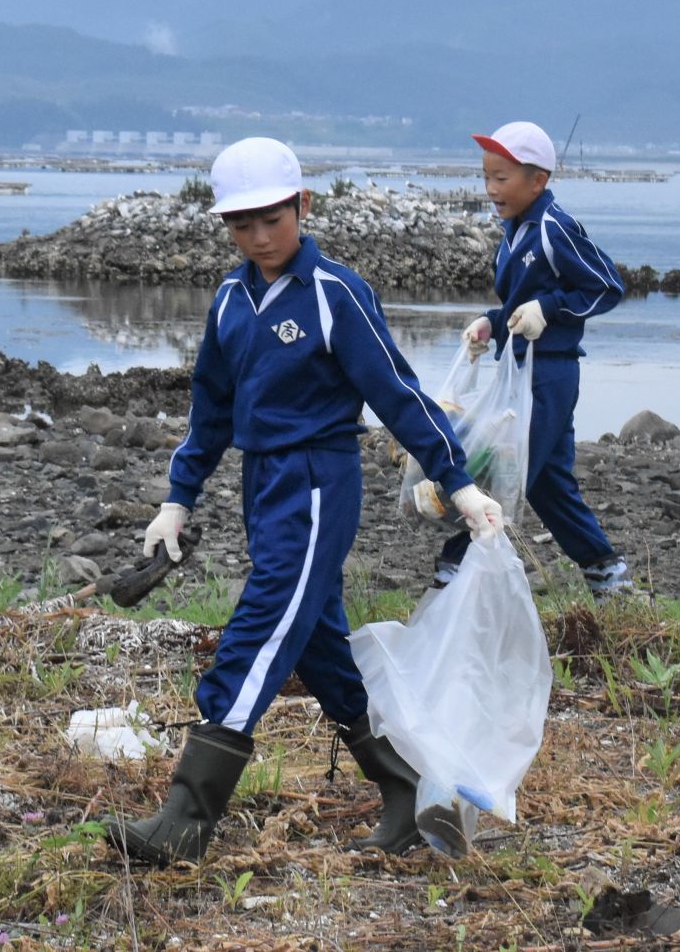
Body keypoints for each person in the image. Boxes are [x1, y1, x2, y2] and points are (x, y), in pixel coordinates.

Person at [105, 137, 505, 867]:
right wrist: (178, 498)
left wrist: (458, 481)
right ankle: (408, 788)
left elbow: (398, 391)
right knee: (318, 646)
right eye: (242, 223)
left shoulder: (334, 293)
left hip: (320, 481)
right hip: (262, 483)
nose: (259, 237)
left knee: (261, 625)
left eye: (272, 219)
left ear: (303, 205)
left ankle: (186, 819)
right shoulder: (230, 301)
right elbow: (210, 410)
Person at [438, 121, 631, 597]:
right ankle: (608, 576)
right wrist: (491, 322)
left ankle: (453, 569)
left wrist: (550, 308)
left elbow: (606, 286)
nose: (490, 189)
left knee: (507, 474)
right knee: (548, 486)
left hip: (549, 374)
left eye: (501, 178)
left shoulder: (553, 228)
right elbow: (520, 302)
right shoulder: (514, 230)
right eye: (486, 176)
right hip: (523, 371)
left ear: (537, 181)